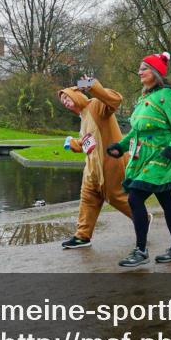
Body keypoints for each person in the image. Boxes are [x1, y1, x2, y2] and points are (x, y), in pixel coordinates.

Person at [107, 52, 171, 267]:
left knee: (135, 199)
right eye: (140, 68)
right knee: (167, 202)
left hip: (162, 157)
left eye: (144, 68)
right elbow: (137, 132)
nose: (139, 72)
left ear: (155, 72)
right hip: (143, 156)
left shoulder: (168, 95)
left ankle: (141, 250)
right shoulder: (144, 98)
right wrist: (120, 146)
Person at [57, 77, 134, 249]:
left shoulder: (95, 105)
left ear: (77, 95)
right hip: (92, 168)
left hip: (109, 164)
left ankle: (142, 218)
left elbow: (115, 99)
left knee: (116, 197)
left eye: (67, 98)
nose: (66, 103)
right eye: (63, 102)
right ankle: (82, 236)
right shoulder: (84, 116)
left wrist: (92, 86)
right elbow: (89, 142)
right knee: (88, 198)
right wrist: (74, 144)